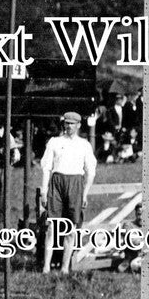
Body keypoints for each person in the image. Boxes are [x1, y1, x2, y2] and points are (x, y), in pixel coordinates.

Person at [40, 112, 96, 275]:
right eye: (66, 123)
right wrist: (44, 191)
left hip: (75, 184)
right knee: (51, 226)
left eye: (72, 124)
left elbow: (90, 171)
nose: (69, 127)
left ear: (79, 125)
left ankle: (65, 267)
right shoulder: (55, 142)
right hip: (57, 183)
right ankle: (46, 267)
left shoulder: (84, 144)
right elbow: (46, 168)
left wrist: (84, 194)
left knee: (71, 228)